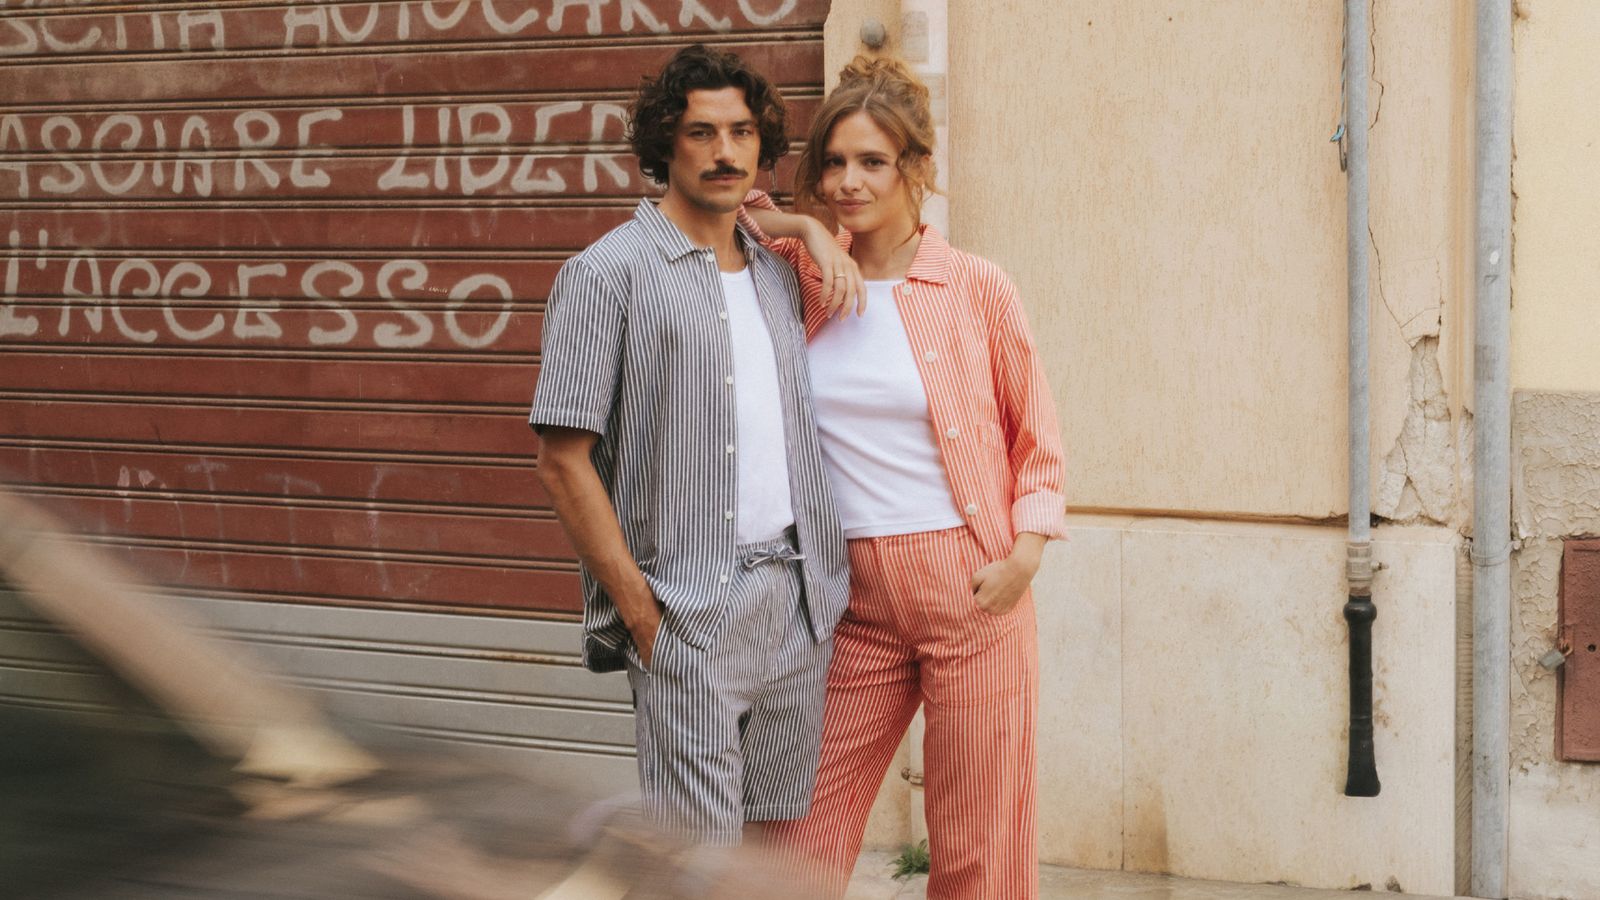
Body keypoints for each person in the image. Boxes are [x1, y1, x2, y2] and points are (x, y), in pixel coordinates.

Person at [739, 56, 1067, 899]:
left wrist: (1025, 554)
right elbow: (729, 213)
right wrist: (811, 232)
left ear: (916, 169)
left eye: (872, 162)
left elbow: (1037, 434)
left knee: (978, 847)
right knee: (793, 832)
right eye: (835, 163)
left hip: (973, 589)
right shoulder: (806, 277)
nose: (849, 182)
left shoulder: (975, 287)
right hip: (852, 602)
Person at [527, 44, 852, 848]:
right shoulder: (606, 274)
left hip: (798, 602)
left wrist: (805, 221)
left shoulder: (778, 277)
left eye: (742, 132)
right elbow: (562, 459)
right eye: (702, 133)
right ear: (664, 145)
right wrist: (643, 615)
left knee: (774, 856)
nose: (725, 151)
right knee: (697, 865)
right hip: (689, 612)